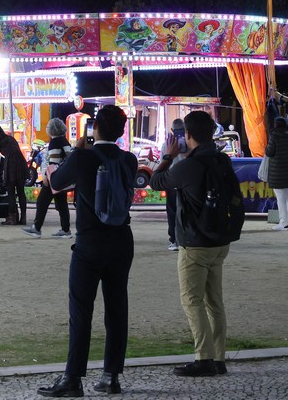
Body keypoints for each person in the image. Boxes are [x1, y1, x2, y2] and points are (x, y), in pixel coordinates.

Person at [38, 105, 136, 397]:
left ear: (95, 128)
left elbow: (54, 183)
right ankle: (111, 376)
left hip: (91, 241)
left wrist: (75, 151)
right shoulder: (129, 160)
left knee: (81, 310)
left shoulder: (83, 156)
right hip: (121, 239)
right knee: (117, 309)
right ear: (120, 131)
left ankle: (73, 378)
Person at [147, 110, 239, 378]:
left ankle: (203, 358)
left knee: (192, 300)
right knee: (215, 301)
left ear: (187, 135)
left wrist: (168, 156)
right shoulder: (222, 161)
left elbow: (155, 182)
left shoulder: (187, 167)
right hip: (220, 240)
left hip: (195, 243)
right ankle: (218, 357)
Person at [22, 117, 72, 238]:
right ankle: (66, 230)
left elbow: (53, 162)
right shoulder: (65, 141)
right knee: (62, 204)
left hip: (55, 177)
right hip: (64, 177)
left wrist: (46, 177)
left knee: (42, 201)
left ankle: (36, 228)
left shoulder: (54, 143)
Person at [265, 116, 288, 231]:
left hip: (277, 172)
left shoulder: (274, 136)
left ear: (276, 125)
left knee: (281, 198)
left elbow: (269, 152)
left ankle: (284, 222)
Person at [0, 122, 27, 225]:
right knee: (21, 192)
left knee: (11, 193)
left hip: (11, 165)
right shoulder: (10, 138)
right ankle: (23, 218)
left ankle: (12, 217)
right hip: (21, 163)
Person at [165, 118, 187, 251]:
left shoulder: (167, 143)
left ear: (172, 130)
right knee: (185, 211)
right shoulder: (189, 143)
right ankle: (185, 238)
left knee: (172, 211)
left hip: (172, 181)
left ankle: (174, 239)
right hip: (186, 182)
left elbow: (164, 161)